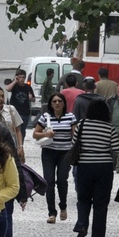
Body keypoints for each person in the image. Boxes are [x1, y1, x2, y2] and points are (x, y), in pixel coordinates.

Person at [72, 100, 119, 237]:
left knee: (83, 198)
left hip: (84, 165)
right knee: (101, 203)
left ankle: (82, 225)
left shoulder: (82, 124)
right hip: (104, 166)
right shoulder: (109, 128)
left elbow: (74, 142)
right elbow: (117, 148)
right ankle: (99, 236)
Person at [32, 92, 76, 224]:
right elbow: (35, 134)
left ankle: (63, 206)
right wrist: (46, 133)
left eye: (60, 101)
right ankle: (52, 212)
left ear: (64, 103)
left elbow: (75, 134)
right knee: (49, 182)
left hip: (65, 153)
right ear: (51, 104)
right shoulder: (45, 117)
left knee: (62, 180)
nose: (57, 103)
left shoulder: (70, 117)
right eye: (54, 101)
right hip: (48, 153)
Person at [5, 69, 36, 138]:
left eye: (23, 77)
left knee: (22, 131)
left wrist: (31, 98)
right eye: (20, 77)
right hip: (14, 112)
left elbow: (34, 99)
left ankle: (21, 144)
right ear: (17, 77)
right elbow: (7, 89)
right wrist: (15, 81)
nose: (21, 79)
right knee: (14, 130)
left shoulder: (28, 87)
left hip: (25, 113)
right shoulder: (14, 86)